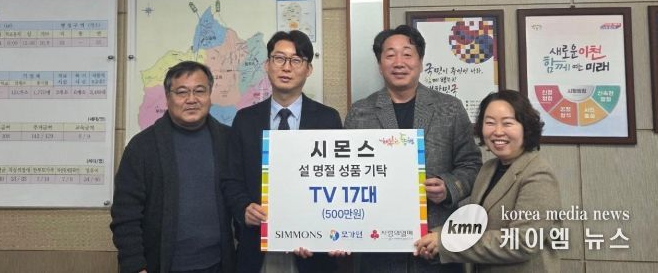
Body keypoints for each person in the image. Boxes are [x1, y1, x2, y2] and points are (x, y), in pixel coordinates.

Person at [344, 24, 482, 273]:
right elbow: (345, 175)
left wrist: (448, 187)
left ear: (420, 61)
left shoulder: (449, 108)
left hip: (436, 244)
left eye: (407, 54)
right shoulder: (360, 112)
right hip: (378, 248)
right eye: (390, 55)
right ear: (380, 65)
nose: (399, 62)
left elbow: (472, 165)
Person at [221, 30, 343, 273]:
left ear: (308, 69)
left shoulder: (328, 119)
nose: (286, 67)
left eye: (296, 60)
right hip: (258, 247)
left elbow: (338, 182)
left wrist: (328, 231)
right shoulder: (245, 120)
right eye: (279, 58)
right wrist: (244, 208)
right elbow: (231, 179)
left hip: (312, 250)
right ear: (267, 65)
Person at [414, 90, 562, 272]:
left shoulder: (538, 174)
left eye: (507, 123)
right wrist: (435, 235)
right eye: (490, 123)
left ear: (526, 127)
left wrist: (446, 242)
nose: (498, 132)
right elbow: (475, 224)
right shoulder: (488, 169)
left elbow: (523, 241)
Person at [110, 61, 234, 273]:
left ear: (210, 94)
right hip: (159, 266)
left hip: (217, 265)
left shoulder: (227, 140)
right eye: (182, 92)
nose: (191, 99)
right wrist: (135, 266)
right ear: (168, 97)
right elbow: (125, 214)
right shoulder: (142, 147)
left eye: (200, 91)